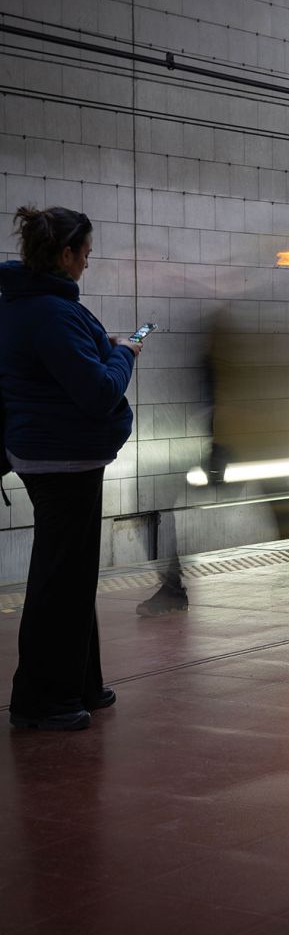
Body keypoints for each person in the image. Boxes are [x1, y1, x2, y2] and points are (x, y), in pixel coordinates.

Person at [0, 206, 141, 730]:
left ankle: (80, 681)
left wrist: (98, 346)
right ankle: (42, 700)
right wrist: (125, 353)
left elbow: (53, 364)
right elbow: (97, 391)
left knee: (73, 574)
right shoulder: (52, 312)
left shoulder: (25, 304)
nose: (88, 262)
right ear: (64, 255)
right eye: (84, 253)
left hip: (51, 454)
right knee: (59, 579)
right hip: (62, 459)